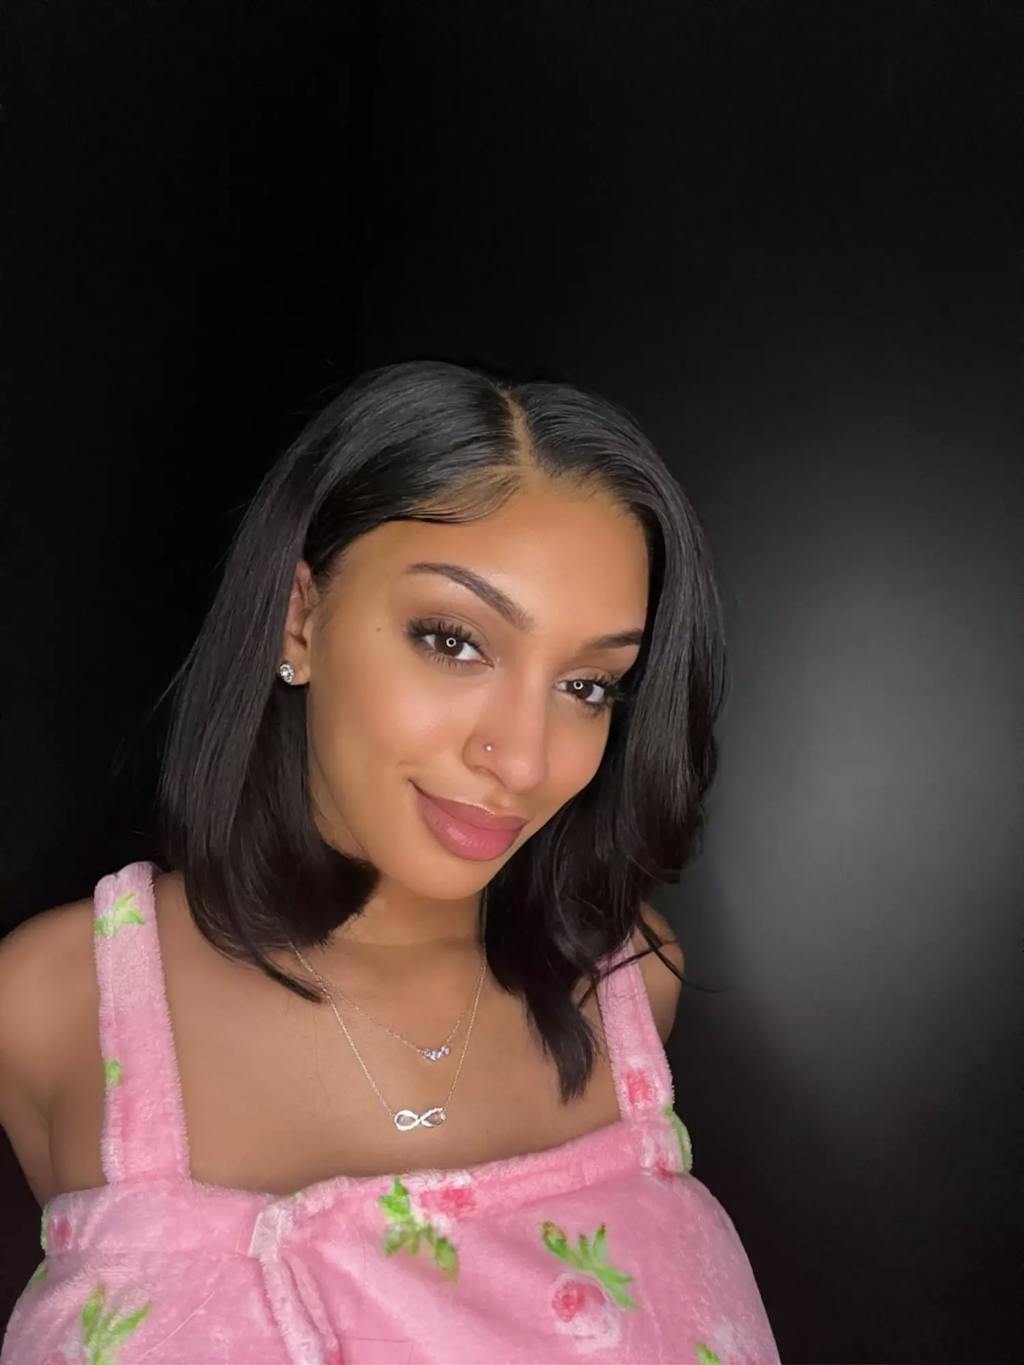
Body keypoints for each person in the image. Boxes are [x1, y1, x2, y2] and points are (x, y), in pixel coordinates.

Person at [0, 360, 780, 1363]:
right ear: (299, 617)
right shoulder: (52, 1008)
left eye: (588, 686)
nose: (523, 759)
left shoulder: (629, 983)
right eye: (453, 641)